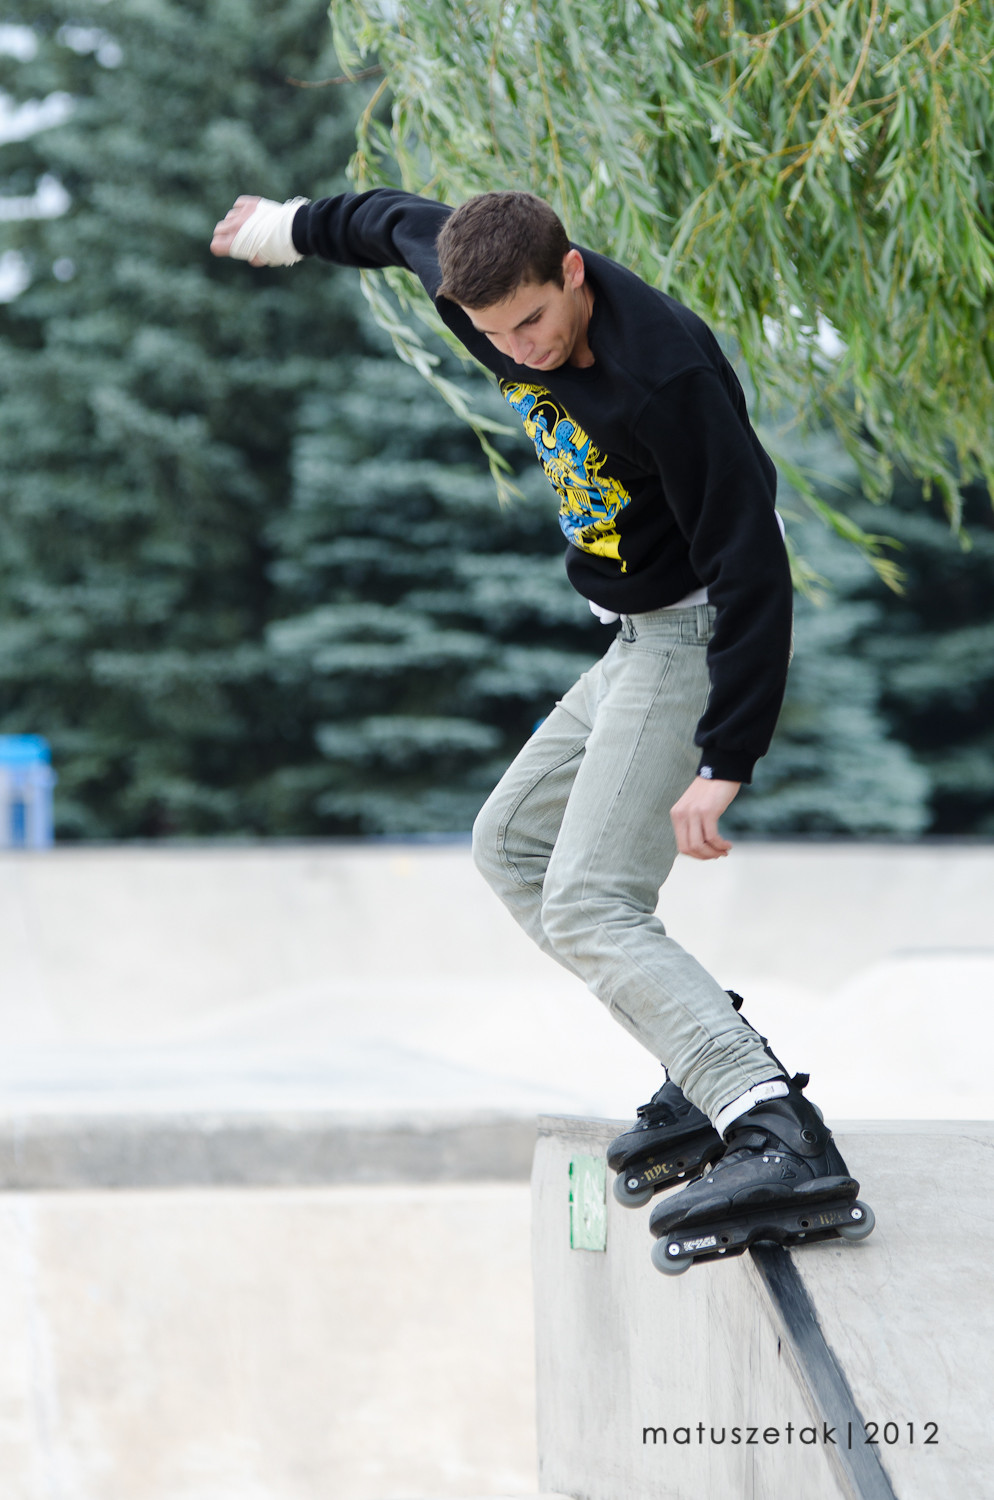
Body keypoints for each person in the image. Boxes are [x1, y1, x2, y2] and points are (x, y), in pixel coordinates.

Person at [210, 188, 862, 1256]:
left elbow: (753, 564)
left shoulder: (665, 377)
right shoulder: (474, 276)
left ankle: (775, 1129)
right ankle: (702, 1061)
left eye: (532, 325)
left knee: (592, 900)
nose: (520, 352)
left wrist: (725, 756)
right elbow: (387, 221)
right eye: (494, 336)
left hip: (693, 633)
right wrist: (284, 229)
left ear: (572, 273)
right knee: (507, 844)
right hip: (635, 639)